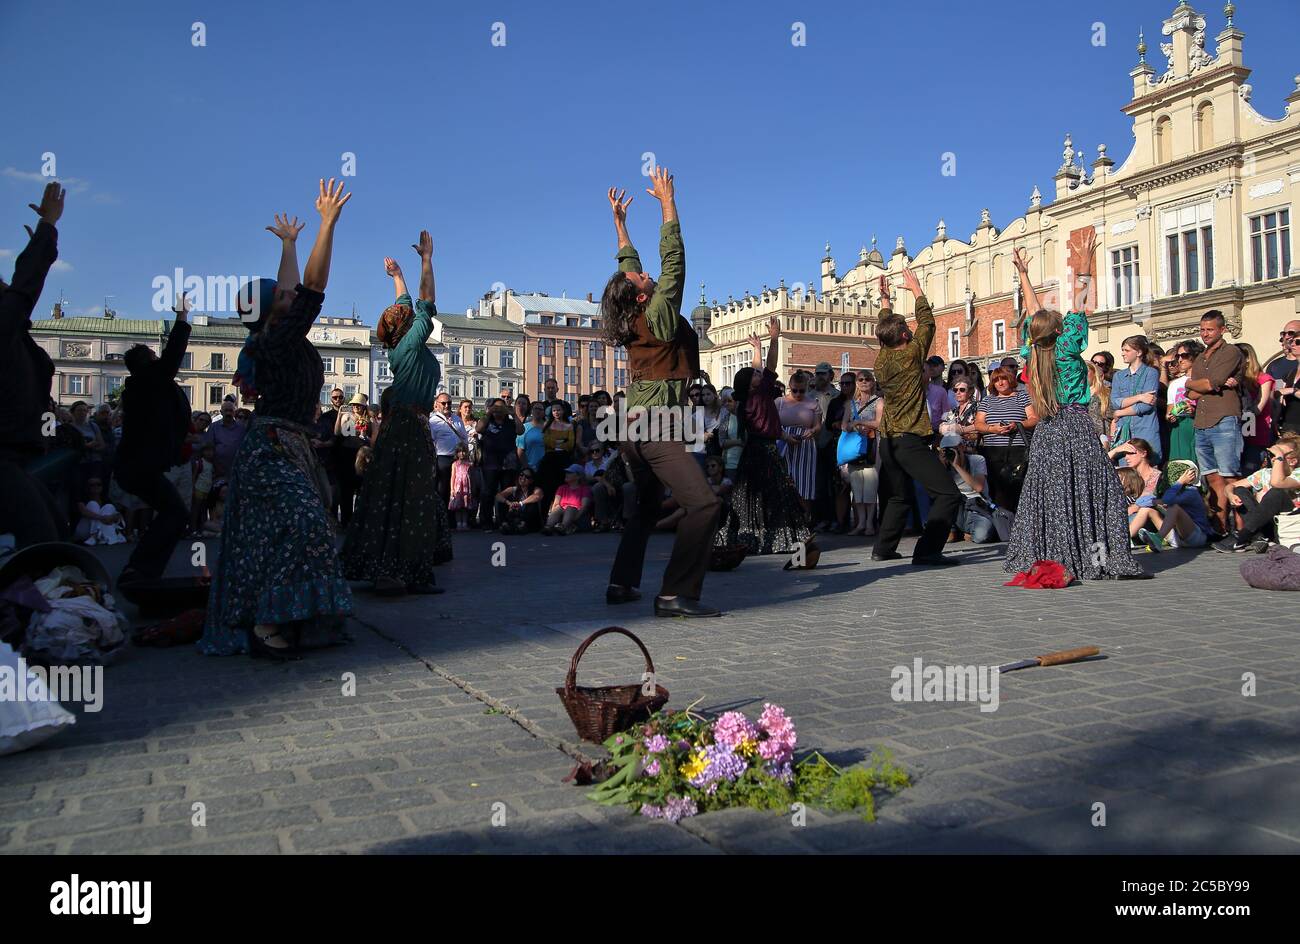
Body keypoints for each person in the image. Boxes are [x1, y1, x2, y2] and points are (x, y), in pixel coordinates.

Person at [200, 181, 355, 659]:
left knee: (295, 530)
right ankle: (267, 619)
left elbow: (291, 291)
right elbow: (311, 289)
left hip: (290, 447)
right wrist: (327, 224)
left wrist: (288, 244)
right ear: (270, 311)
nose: (289, 298)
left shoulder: (276, 334)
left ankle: (297, 617)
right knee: (301, 523)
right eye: (280, 299)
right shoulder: (275, 341)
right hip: (271, 449)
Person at [601, 170, 721, 616]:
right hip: (656, 426)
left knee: (648, 505)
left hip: (630, 426)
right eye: (639, 281)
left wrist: (620, 225)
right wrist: (669, 204)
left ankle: (621, 583)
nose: (643, 275)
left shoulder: (631, 314)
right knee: (704, 505)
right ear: (638, 298)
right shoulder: (660, 314)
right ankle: (675, 593)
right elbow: (674, 260)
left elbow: (627, 268)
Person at [1002, 235, 1148, 580]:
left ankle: (1058, 555)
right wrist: (1084, 266)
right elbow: (1082, 302)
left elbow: (1036, 316)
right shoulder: (1067, 348)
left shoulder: (1032, 353)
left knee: (1052, 496)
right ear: (1058, 331)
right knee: (1095, 490)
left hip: (1048, 432)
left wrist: (1024, 276)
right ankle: (1095, 558)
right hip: (1077, 427)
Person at [341, 233, 452, 595]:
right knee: (413, 498)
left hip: (398, 428)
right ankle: (403, 572)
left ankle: (385, 569)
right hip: (410, 428)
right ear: (407, 326)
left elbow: (408, 303)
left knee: (390, 495)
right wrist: (427, 260)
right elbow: (428, 301)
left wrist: (397, 276)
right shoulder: (412, 341)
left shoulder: (399, 345)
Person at [870, 269, 962, 566]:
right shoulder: (912, 354)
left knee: (898, 496)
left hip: (888, 442)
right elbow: (928, 322)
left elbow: (886, 331)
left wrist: (885, 299)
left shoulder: (882, 358)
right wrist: (917, 290)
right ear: (906, 336)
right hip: (909, 441)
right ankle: (927, 551)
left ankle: (883, 548)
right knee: (947, 494)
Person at [715, 317, 818, 567]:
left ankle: (771, 539)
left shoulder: (749, 398)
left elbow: (762, 368)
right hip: (764, 452)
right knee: (779, 494)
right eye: (755, 376)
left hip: (760, 450)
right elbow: (767, 366)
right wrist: (771, 340)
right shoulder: (755, 396)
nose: (760, 376)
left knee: (756, 496)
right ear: (750, 383)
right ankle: (793, 544)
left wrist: (761, 346)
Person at [0, 181, 66, 548]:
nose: (6, 285)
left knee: (54, 529)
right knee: (44, 543)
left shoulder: (17, 339)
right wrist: (47, 230)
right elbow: (24, 286)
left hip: (17, 458)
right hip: (3, 459)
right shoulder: (3, 330)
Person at [114, 293, 193, 584]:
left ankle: (144, 569)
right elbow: (173, 353)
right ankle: (141, 569)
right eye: (154, 357)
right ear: (148, 363)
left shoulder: (142, 387)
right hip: (138, 467)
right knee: (175, 513)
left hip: (136, 466)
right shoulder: (150, 382)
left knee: (173, 513)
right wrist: (182, 317)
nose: (160, 360)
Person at [1185, 310, 1245, 536]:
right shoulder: (1201, 357)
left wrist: (1194, 383)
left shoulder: (1231, 352)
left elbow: (1213, 383)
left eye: (1210, 329)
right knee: (1213, 479)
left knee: (1231, 476)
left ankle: (1242, 531)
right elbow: (1190, 393)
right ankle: (1221, 529)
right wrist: (1195, 385)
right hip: (1202, 421)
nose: (1205, 334)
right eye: (1202, 329)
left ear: (1222, 329)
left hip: (1223, 419)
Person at [1215, 433, 1300, 553]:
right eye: (1272, 454)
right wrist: (1230, 495)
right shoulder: (1265, 473)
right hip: (1265, 523)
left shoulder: (1298, 474)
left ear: (1293, 461)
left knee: (1277, 493)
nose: (1273, 458)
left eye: (1277, 455)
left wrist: (1279, 456)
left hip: (1286, 524)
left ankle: (1241, 537)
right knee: (1239, 491)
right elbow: (1231, 486)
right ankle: (1260, 537)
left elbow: (1277, 483)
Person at [975, 366, 1035, 512]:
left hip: (1018, 450)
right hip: (993, 451)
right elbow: (978, 424)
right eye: (996, 380)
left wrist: (1017, 425)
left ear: (1010, 380)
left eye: (1003, 379)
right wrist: (992, 429)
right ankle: (1002, 526)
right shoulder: (987, 401)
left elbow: (1034, 418)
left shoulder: (1022, 396)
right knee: (998, 491)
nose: (1000, 383)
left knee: (1017, 489)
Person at [840, 372, 882, 536]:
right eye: (861, 379)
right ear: (857, 383)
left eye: (868, 379)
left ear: (873, 382)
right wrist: (853, 426)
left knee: (871, 486)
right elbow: (844, 425)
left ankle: (870, 524)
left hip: (872, 446)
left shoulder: (879, 401)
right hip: (855, 447)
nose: (864, 382)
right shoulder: (851, 404)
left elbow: (879, 423)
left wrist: (861, 422)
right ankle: (860, 523)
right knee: (857, 487)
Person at [1109, 335, 1162, 463]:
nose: (1122, 354)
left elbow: (1146, 405)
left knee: (1148, 469)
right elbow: (1115, 402)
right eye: (1122, 350)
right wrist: (1140, 397)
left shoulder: (1151, 373)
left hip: (1145, 431)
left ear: (1138, 352)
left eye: (1126, 350)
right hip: (1125, 434)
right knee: (1126, 472)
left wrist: (1120, 412)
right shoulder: (1119, 376)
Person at [776, 370, 822, 517]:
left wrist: (813, 431)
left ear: (807, 388)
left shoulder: (813, 404)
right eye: (794, 390)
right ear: (790, 386)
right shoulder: (779, 402)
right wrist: (784, 435)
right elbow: (772, 424)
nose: (797, 394)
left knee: (804, 484)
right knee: (784, 482)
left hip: (805, 444)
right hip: (783, 443)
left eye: (801, 391)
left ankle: (805, 519)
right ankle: (786, 520)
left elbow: (818, 426)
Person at [939, 434, 995, 544]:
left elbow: (979, 487)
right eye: (946, 450)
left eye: (953, 449)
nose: (950, 453)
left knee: (981, 537)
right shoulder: (942, 464)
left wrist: (957, 466)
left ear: (962, 447)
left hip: (976, 506)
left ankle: (965, 530)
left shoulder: (977, 460)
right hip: (955, 507)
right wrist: (941, 467)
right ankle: (958, 530)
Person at [476, 398, 519, 531]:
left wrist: (514, 414)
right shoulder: (487, 421)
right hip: (490, 462)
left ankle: (504, 520)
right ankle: (486, 521)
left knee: (506, 491)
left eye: (501, 408)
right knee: (488, 492)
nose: (498, 411)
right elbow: (479, 429)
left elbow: (521, 430)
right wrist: (489, 413)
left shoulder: (510, 423)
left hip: (508, 462)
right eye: (496, 408)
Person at [1237, 342, 1275, 475]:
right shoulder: (1237, 380)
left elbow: (1259, 408)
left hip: (1255, 429)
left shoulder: (1264, 379)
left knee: (1250, 470)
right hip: (1238, 430)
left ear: (1247, 358)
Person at [1164, 340, 1203, 465]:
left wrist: (1194, 411)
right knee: (1182, 466)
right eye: (1178, 356)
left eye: (1184, 355)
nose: (1180, 360)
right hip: (1180, 427)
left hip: (1200, 425)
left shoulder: (1205, 380)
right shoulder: (1174, 384)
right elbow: (1169, 411)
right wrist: (1170, 416)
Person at [428, 392, 465, 504]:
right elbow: (430, 442)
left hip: (458, 459)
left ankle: (455, 517)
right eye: (443, 403)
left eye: (449, 403)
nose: (446, 406)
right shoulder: (433, 421)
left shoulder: (457, 419)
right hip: (443, 459)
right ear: (437, 404)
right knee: (443, 488)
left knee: (459, 488)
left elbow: (464, 438)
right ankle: (442, 515)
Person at [73, 476, 125, 545]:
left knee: (109, 506)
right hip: (84, 530)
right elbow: (84, 512)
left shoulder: (106, 499)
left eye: (98, 484)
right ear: (87, 487)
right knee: (93, 504)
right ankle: (96, 535)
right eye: (92, 485)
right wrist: (103, 517)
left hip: (101, 529)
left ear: (102, 487)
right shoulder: (83, 498)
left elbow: (118, 515)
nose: (96, 486)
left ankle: (97, 537)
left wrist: (111, 517)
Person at [543, 464, 592, 535]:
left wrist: (573, 519)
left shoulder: (585, 489)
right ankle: (548, 527)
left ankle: (563, 527)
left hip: (578, 517)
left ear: (578, 476)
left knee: (570, 507)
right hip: (562, 516)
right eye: (566, 472)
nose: (566, 474)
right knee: (558, 507)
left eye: (570, 473)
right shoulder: (562, 488)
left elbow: (584, 507)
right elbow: (555, 504)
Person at [497, 467, 544, 534]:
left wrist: (520, 503)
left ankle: (521, 525)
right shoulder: (514, 489)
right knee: (502, 501)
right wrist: (509, 503)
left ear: (531, 480)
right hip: (515, 516)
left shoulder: (536, 489)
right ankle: (505, 524)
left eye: (527, 477)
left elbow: (537, 496)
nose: (523, 478)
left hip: (530, 520)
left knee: (532, 504)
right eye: (521, 475)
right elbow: (498, 496)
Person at [448, 443, 474, 531]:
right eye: (459, 452)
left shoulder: (469, 464)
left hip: (466, 488)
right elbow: (452, 477)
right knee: (458, 507)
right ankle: (459, 523)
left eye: (463, 452)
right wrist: (452, 489)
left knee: (465, 507)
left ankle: (465, 523)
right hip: (458, 488)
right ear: (457, 453)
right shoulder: (455, 464)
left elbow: (471, 476)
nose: (462, 453)